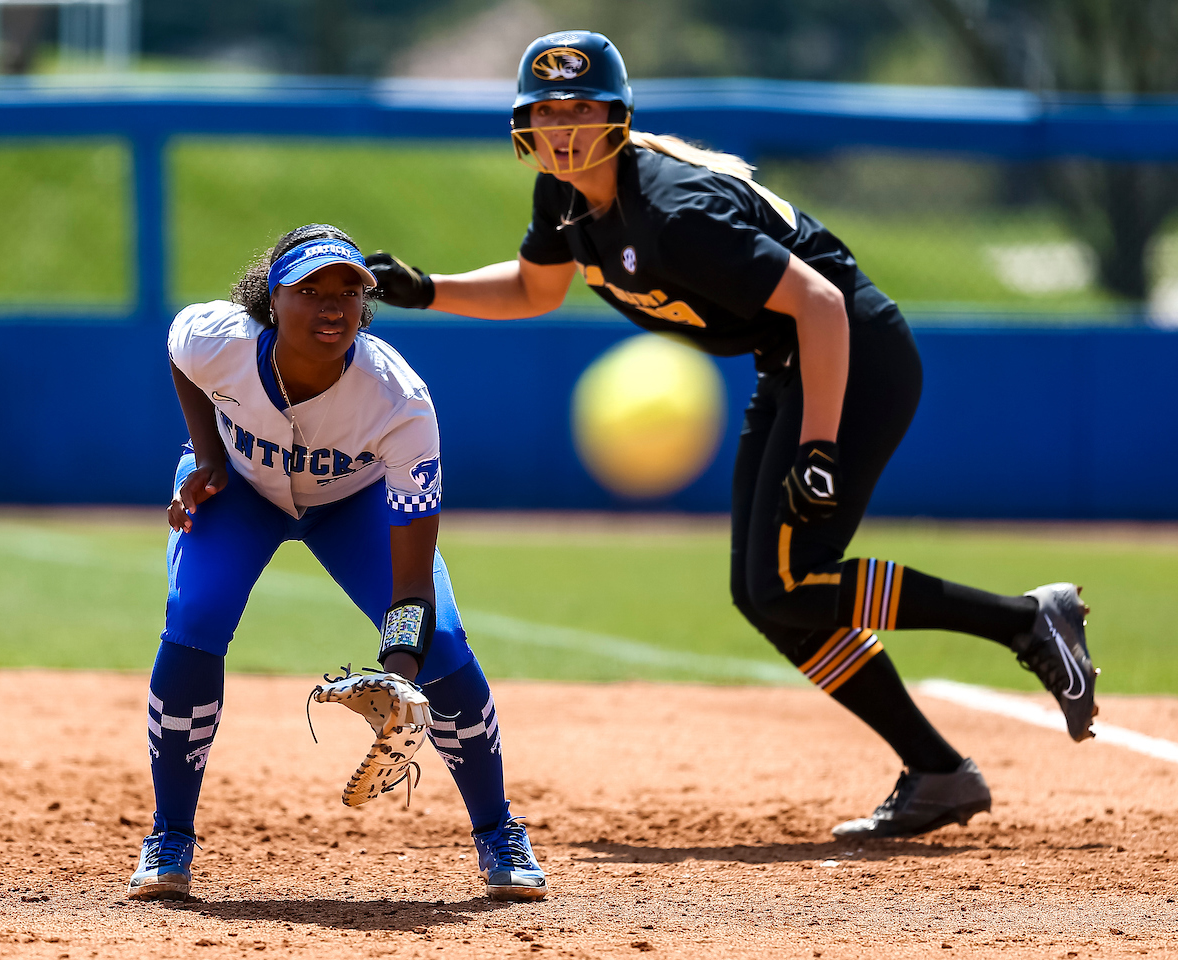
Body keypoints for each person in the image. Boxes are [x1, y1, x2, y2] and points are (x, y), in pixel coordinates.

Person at [364, 31, 1100, 840]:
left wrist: (818, 446)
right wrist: (427, 289)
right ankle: (938, 770)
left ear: (616, 117)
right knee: (767, 595)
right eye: (545, 112)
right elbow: (535, 290)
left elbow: (822, 303)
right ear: (523, 126)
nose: (562, 128)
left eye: (580, 109)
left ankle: (1023, 621)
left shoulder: (675, 213)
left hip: (854, 358)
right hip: (790, 367)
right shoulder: (564, 195)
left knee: (786, 581)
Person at [128, 224, 547, 901]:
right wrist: (207, 455)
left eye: (349, 292)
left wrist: (399, 677)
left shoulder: (399, 401)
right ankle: (169, 836)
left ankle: (499, 834)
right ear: (271, 299)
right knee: (195, 614)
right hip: (242, 492)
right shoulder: (218, 339)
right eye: (310, 290)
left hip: (353, 504)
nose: (332, 306)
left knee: (441, 641)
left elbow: (412, 583)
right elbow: (181, 355)